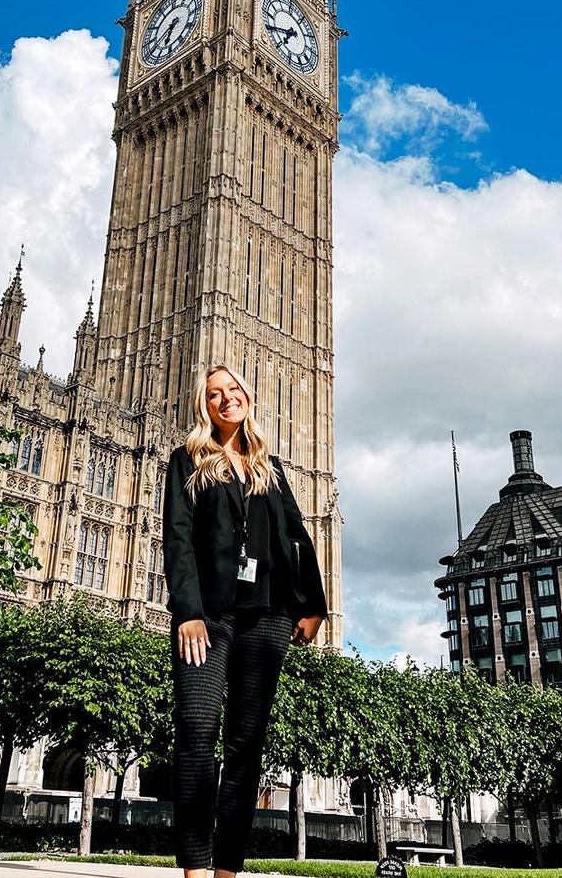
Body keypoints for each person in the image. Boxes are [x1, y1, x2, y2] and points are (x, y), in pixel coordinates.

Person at [163, 363, 328, 878]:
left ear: (248, 397)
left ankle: (226, 870)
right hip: (209, 618)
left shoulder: (269, 467)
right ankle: (194, 869)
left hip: (268, 616)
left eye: (233, 389)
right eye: (215, 393)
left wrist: (314, 604)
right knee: (195, 729)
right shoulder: (187, 461)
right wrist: (187, 612)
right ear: (203, 406)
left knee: (245, 743)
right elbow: (178, 538)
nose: (226, 398)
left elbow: (297, 537)